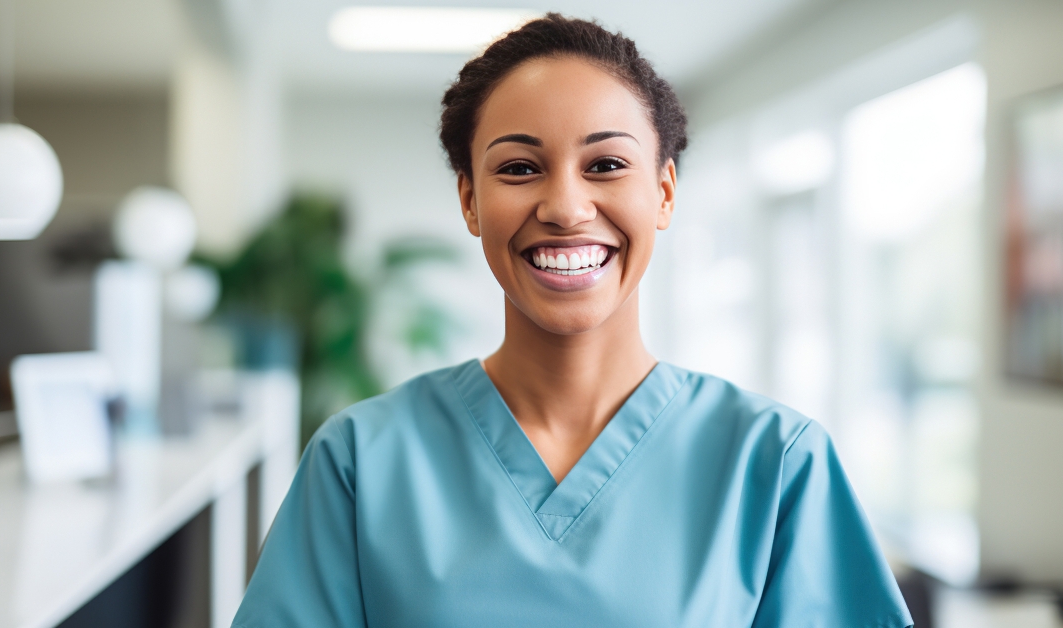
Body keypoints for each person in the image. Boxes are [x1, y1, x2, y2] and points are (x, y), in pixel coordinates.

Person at [233, 14, 912, 627]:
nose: (564, 206)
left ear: (665, 191)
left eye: (607, 165)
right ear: (469, 200)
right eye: (521, 168)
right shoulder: (362, 461)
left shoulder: (773, 464)